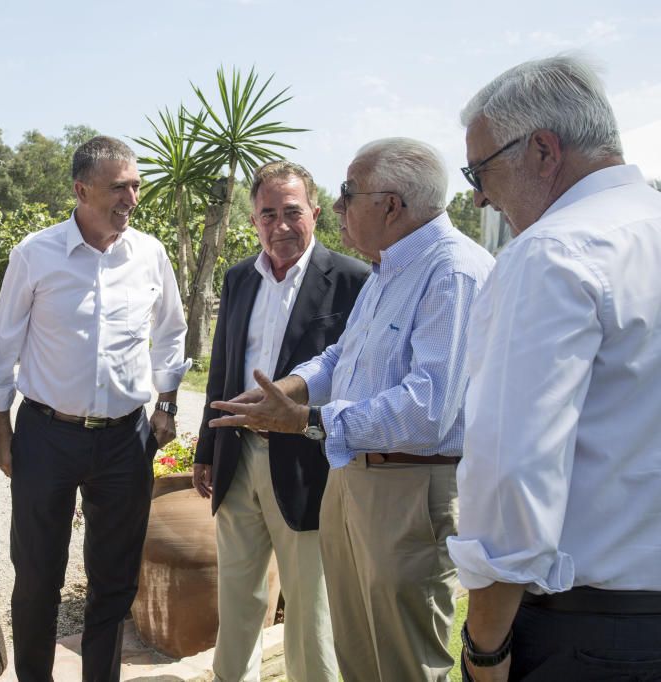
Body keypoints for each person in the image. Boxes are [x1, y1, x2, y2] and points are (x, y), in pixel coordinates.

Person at [209, 138, 495, 682]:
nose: (337, 209)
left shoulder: (451, 272)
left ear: (390, 204)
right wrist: (289, 390)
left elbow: (426, 409)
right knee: (358, 656)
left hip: (409, 487)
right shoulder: (391, 269)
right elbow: (342, 357)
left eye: (346, 194)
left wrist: (309, 421)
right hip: (357, 476)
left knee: (404, 662)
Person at [448, 56, 661, 681]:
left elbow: (513, 470)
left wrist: (485, 646)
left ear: (542, 150)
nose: (480, 194)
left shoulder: (552, 251)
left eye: (480, 170)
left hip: (589, 632)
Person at [0, 135, 189, 682]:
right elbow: (1, 349)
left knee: (115, 581)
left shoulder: (149, 254)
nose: (132, 197)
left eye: (137, 185)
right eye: (119, 186)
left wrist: (166, 403)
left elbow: (172, 332)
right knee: (37, 578)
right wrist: (1, 433)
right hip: (48, 436)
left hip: (125, 440)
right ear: (81, 189)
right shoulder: (35, 254)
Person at [194, 160, 368, 681]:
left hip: (308, 466)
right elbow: (222, 367)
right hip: (239, 459)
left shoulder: (352, 281)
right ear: (254, 222)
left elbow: (353, 373)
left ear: (315, 213)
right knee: (238, 603)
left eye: (292, 212)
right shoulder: (237, 279)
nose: (280, 226)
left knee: (311, 613)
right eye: (267, 215)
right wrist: (206, 449)